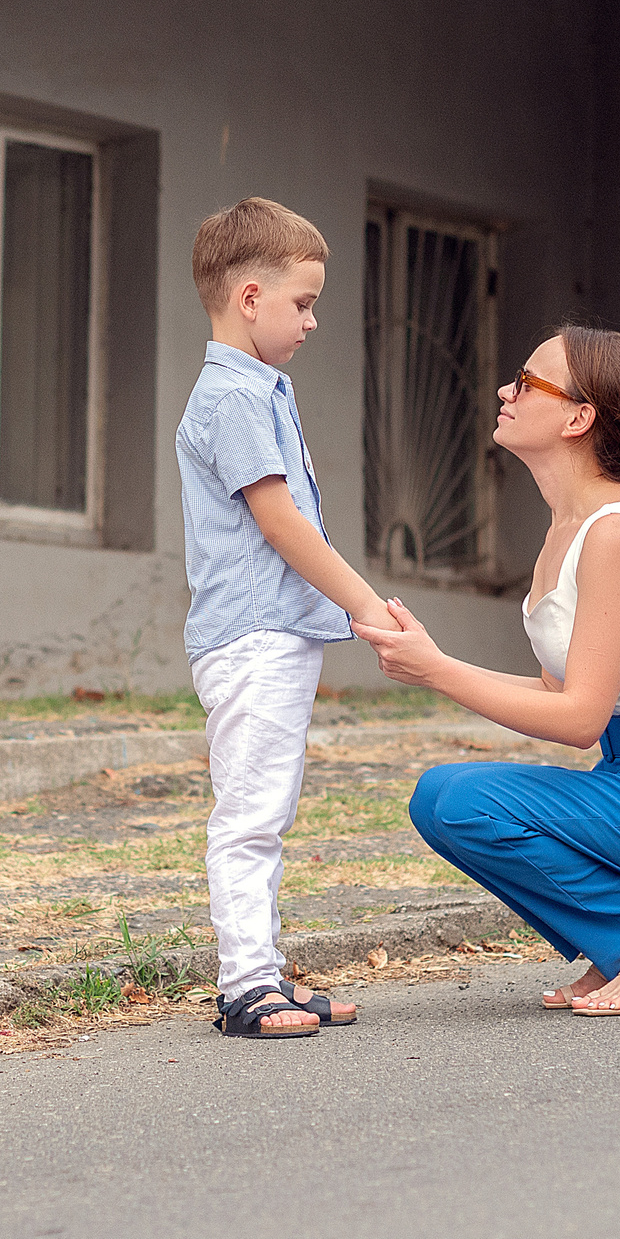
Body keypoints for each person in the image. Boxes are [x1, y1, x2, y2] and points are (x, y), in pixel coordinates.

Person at [353, 326, 620, 1017]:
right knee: (444, 801)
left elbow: (578, 720)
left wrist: (436, 673)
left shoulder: (616, 532)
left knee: (458, 799)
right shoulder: (569, 530)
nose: (504, 390)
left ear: (579, 418)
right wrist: (435, 659)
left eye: (526, 382)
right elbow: (562, 692)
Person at [177, 198, 394, 1040]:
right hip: (253, 637)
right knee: (251, 815)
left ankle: (264, 972)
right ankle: (244, 989)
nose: (313, 319)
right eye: (303, 303)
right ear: (251, 298)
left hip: (276, 634)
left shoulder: (260, 390)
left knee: (269, 809)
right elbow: (280, 523)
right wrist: (366, 602)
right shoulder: (231, 398)